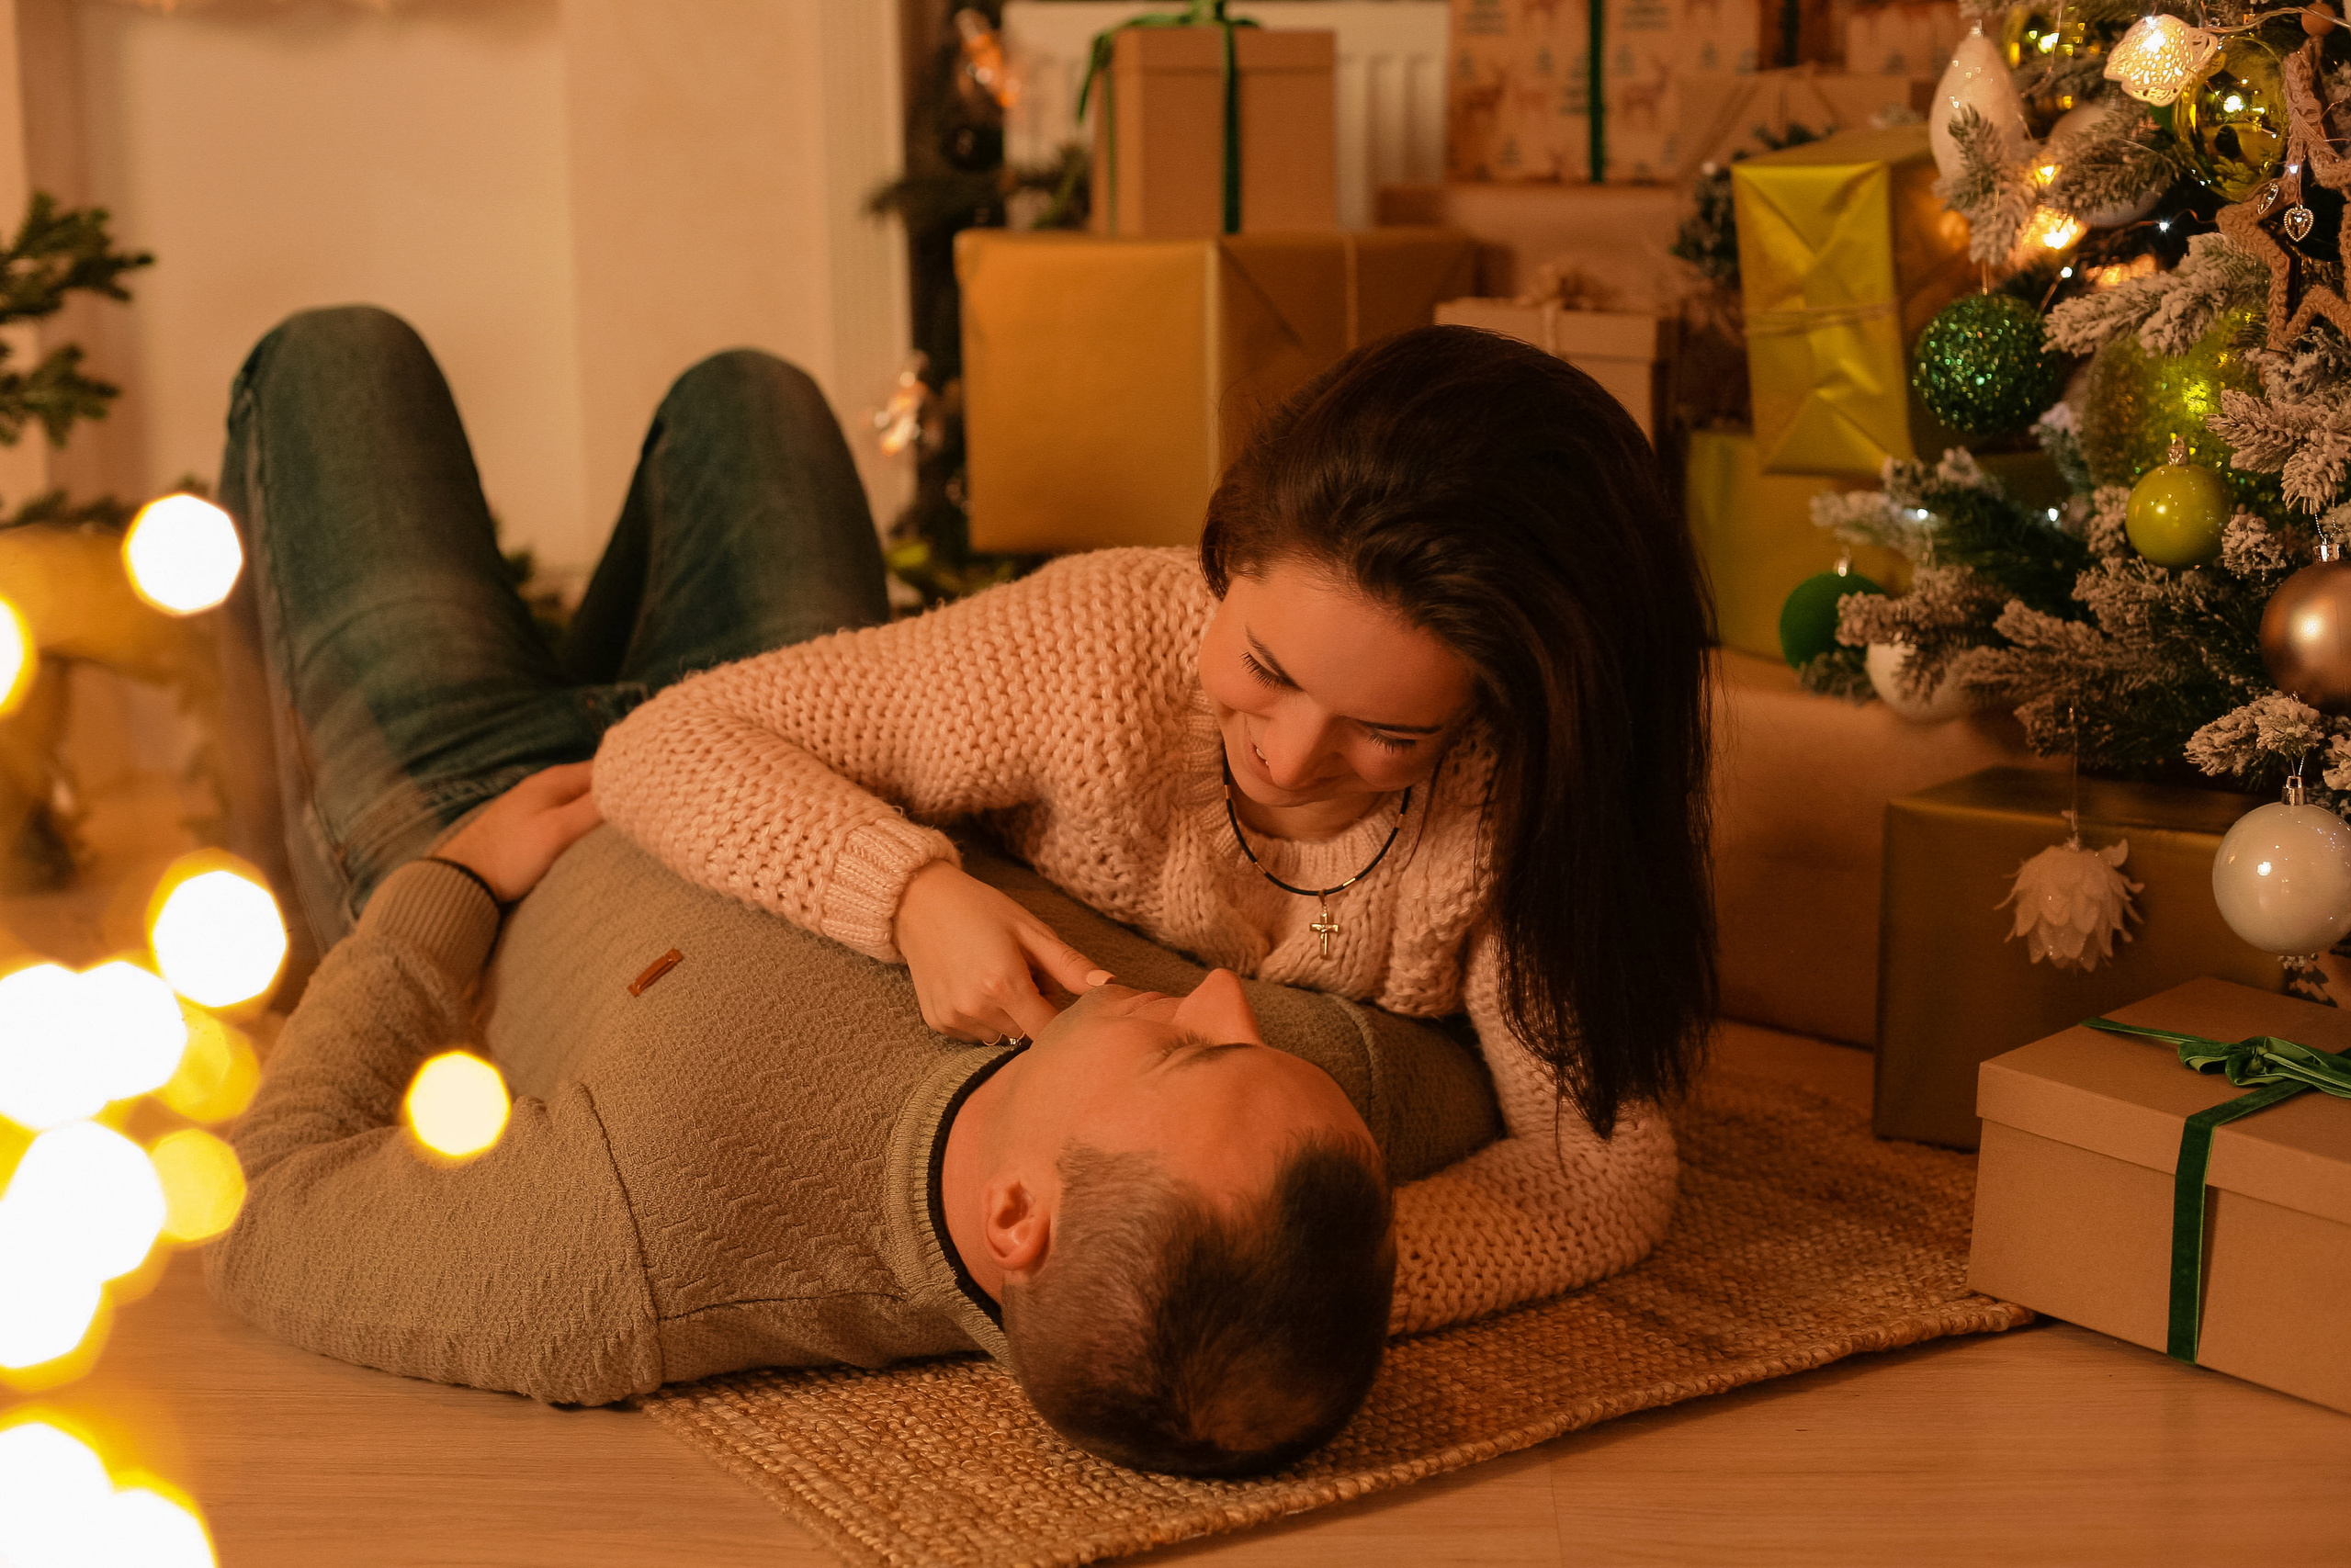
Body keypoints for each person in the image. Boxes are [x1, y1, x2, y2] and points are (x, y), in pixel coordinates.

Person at [205, 306, 1504, 1477]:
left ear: (1018, 1214)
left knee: (339, 354)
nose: (1225, 995)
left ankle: (266, 832)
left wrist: (439, 887)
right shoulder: (1270, 1120)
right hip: (776, 722)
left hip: (479, 805)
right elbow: (1484, 1067)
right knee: (751, 388)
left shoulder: (626, 1256)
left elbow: (268, 1210)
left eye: (1186, 1056)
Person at [593, 323, 1714, 1333]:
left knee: (735, 403)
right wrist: (912, 898)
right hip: (770, 754)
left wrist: (1231, 1284)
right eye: (1264, 670)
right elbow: (669, 741)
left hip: (791, 729)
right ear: (1225, 560)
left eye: (1386, 733)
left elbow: (1592, 1177)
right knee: (748, 392)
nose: (1288, 755)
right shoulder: (1091, 651)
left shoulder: (1517, 796)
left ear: (1486, 709)